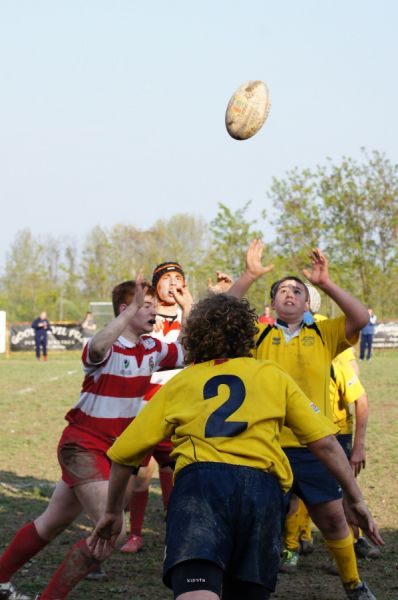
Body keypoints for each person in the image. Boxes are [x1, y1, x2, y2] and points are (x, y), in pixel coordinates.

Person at [88, 294, 383, 600]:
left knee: (197, 591)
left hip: (200, 488)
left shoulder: (181, 382)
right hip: (261, 493)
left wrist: (111, 512)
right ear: (248, 335)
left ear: (195, 336)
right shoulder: (271, 375)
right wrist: (355, 498)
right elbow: (325, 444)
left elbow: (124, 454)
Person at [0, 274, 190, 600]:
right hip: (83, 446)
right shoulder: (106, 345)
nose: (153, 313)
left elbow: (189, 350)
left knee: (52, 522)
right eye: (145, 306)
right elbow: (98, 346)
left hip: (110, 454)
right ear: (123, 309)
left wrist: (188, 307)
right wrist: (126, 315)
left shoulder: (152, 347)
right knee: (112, 531)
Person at [227, 240, 379, 600]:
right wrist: (249, 275)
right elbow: (224, 314)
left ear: (308, 303)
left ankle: (353, 585)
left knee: (332, 520)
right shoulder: (258, 335)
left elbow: (360, 318)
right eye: (282, 290)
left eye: (297, 290)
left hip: (316, 448)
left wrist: (326, 283)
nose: (290, 294)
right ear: (272, 303)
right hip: (266, 448)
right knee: (261, 527)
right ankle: (252, 588)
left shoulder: (323, 334)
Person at [121, 261, 193, 554]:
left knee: (174, 470)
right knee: (139, 475)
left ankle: (172, 533)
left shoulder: (190, 312)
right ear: (155, 284)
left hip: (179, 405)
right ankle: (134, 533)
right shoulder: (145, 314)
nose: (173, 283)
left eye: (179, 278)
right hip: (144, 404)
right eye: (167, 278)